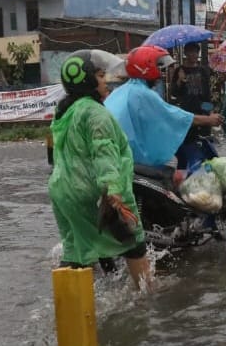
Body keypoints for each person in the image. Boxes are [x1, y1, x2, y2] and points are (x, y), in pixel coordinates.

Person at [48, 50, 151, 289]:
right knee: (133, 243)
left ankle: (71, 306)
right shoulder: (95, 113)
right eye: (102, 76)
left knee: (76, 249)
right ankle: (147, 299)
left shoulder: (65, 111)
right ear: (88, 81)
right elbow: (103, 151)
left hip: (63, 192)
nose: (107, 81)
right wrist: (112, 188)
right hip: (93, 191)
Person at [105, 45, 223, 170]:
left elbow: (207, 95)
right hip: (131, 161)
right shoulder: (144, 93)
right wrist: (208, 120)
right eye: (157, 66)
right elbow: (171, 113)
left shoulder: (122, 90)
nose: (160, 72)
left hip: (117, 156)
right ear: (146, 67)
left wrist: (208, 111)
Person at [170, 42, 214, 165]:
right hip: (187, 114)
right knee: (187, 146)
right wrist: (180, 80)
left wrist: (210, 112)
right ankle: (185, 172)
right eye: (191, 52)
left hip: (202, 113)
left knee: (204, 145)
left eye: (196, 52)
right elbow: (174, 93)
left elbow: (207, 95)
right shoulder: (180, 70)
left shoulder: (203, 71)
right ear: (185, 53)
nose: (194, 55)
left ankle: (204, 171)